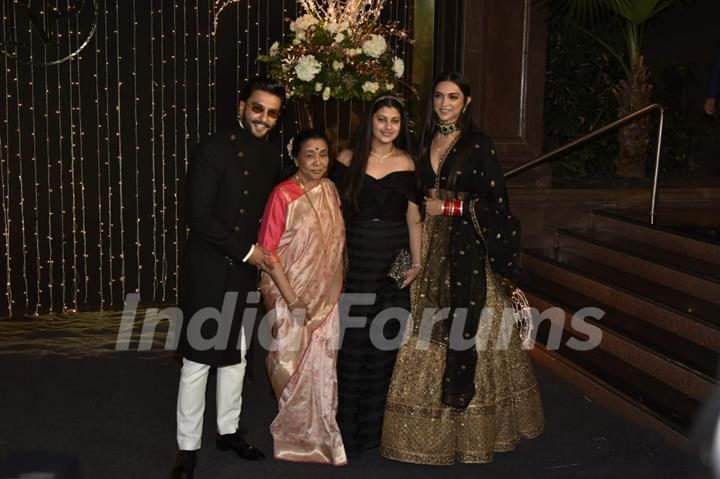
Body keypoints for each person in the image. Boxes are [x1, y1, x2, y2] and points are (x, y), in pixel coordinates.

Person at [380, 72, 544, 465]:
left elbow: (498, 209)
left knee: (469, 329)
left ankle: (474, 433)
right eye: (439, 96)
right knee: (424, 329)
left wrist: (451, 207)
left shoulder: (478, 145)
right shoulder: (423, 141)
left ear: (467, 101)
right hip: (428, 246)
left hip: (466, 252)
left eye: (453, 97)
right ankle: (423, 436)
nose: (445, 104)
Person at [172, 77, 285, 479]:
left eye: (272, 113)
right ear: (242, 106)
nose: (264, 118)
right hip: (208, 267)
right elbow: (198, 216)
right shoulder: (212, 149)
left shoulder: (272, 157)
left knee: (237, 354)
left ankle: (228, 431)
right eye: (258, 109)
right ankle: (187, 448)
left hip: (242, 270)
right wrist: (250, 252)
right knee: (198, 360)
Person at [330, 95, 422, 457]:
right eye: (381, 119)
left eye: (394, 121)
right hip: (356, 258)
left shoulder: (409, 163)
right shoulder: (346, 159)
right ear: (370, 121)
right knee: (352, 347)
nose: (387, 127)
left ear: (402, 126)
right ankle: (345, 432)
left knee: (385, 344)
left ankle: (375, 434)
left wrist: (416, 263)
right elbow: (331, 216)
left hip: (394, 257)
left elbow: (414, 218)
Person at [258, 129, 347, 465]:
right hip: (289, 295)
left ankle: (323, 436)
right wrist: (292, 298)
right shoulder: (283, 195)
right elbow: (268, 253)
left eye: (324, 154)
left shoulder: (331, 189)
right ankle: (294, 438)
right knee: (289, 362)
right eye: (310, 154)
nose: (318, 162)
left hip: (325, 296)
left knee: (324, 367)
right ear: (295, 157)